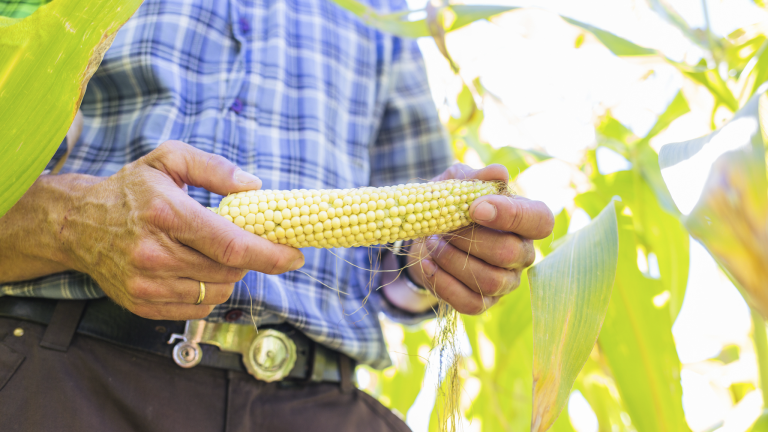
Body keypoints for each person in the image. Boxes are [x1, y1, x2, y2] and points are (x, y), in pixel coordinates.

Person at [0, 0, 554, 430]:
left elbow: (403, 262)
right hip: (67, 376)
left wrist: (441, 259)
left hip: (320, 405)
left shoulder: (381, 13)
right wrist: (69, 223)